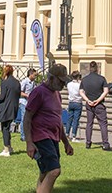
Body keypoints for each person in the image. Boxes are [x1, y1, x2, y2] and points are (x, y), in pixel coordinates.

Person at [23, 63, 74, 193]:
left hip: (53, 137)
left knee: (45, 172)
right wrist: (29, 142)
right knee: (54, 170)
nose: (63, 85)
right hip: (41, 137)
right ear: (51, 78)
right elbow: (27, 118)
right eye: (60, 81)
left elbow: (58, 120)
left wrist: (66, 143)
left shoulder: (57, 94)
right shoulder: (38, 92)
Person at [79, 61, 112, 151]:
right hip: (99, 104)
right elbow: (106, 91)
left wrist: (88, 100)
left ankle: (88, 142)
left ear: (89, 68)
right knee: (103, 124)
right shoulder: (101, 79)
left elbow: (81, 92)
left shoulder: (84, 79)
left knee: (89, 123)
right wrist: (98, 100)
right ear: (97, 69)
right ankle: (105, 143)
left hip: (89, 104)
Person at [0, 64, 21, 156]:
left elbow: (2, 96)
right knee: (8, 127)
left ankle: (6, 149)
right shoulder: (17, 82)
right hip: (14, 107)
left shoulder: (4, 82)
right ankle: (9, 147)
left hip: (6, 108)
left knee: (5, 128)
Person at [18, 68, 37, 141]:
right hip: (24, 102)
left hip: (30, 103)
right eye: (34, 75)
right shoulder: (25, 82)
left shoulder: (33, 83)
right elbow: (20, 92)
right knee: (24, 119)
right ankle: (23, 136)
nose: (35, 77)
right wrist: (27, 95)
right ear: (31, 74)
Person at [64, 71, 82, 141]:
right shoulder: (79, 85)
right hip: (78, 102)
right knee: (76, 120)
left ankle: (67, 134)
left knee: (69, 119)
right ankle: (74, 135)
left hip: (71, 102)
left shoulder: (69, 84)